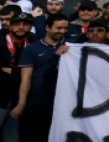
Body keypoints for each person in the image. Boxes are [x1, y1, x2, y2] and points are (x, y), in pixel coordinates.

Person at [10, 13, 69, 142]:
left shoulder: (70, 48)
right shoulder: (31, 49)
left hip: (58, 105)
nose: (62, 31)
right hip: (34, 103)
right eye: (58, 28)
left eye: (65, 28)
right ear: (47, 28)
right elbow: (26, 79)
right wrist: (21, 104)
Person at [1, 11, 35, 139]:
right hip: (1, 96)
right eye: (17, 24)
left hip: (20, 100)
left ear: (31, 27)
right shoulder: (1, 42)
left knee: (11, 138)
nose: (21, 27)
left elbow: (35, 72)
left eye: (25, 24)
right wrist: (22, 72)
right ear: (10, 26)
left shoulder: (34, 43)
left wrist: (11, 70)